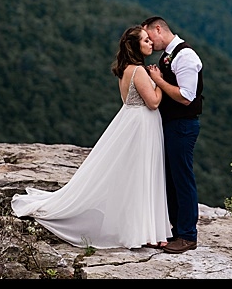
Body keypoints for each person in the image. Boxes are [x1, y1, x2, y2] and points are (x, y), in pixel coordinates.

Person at [11, 25, 172, 249]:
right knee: (143, 174)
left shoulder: (126, 69)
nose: (150, 43)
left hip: (132, 121)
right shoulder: (139, 71)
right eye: (145, 40)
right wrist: (161, 80)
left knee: (137, 175)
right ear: (135, 46)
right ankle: (144, 232)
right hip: (142, 124)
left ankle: (144, 230)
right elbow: (153, 103)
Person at [142, 16, 204, 254]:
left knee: (182, 178)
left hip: (183, 126)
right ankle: (177, 229)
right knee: (171, 178)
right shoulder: (168, 55)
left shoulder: (186, 56)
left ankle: (188, 235)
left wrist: (157, 80)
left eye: (149, 36)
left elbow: (186, 96)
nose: (149, 41)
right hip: (172, 124)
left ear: (159, 29)